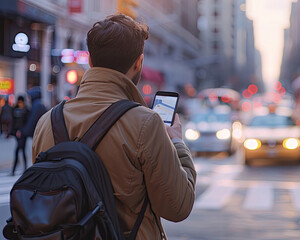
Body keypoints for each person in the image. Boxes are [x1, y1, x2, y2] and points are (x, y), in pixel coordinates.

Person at [32, 14, 196, 240]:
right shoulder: (146, 123)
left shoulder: (47, 121)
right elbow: (178, 207)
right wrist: (177, 143)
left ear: (90, 61)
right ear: (138, 63)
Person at [11, 96, 29, 176]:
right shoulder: (15, 109)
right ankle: (15, 170)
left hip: (23, 134)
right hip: (17, 134)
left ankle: (21, 170)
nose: (20, 103)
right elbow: (13, 122)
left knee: (21, 151)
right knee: (18, 151)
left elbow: (27, 122)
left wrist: (22, 131)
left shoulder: (26, 110)